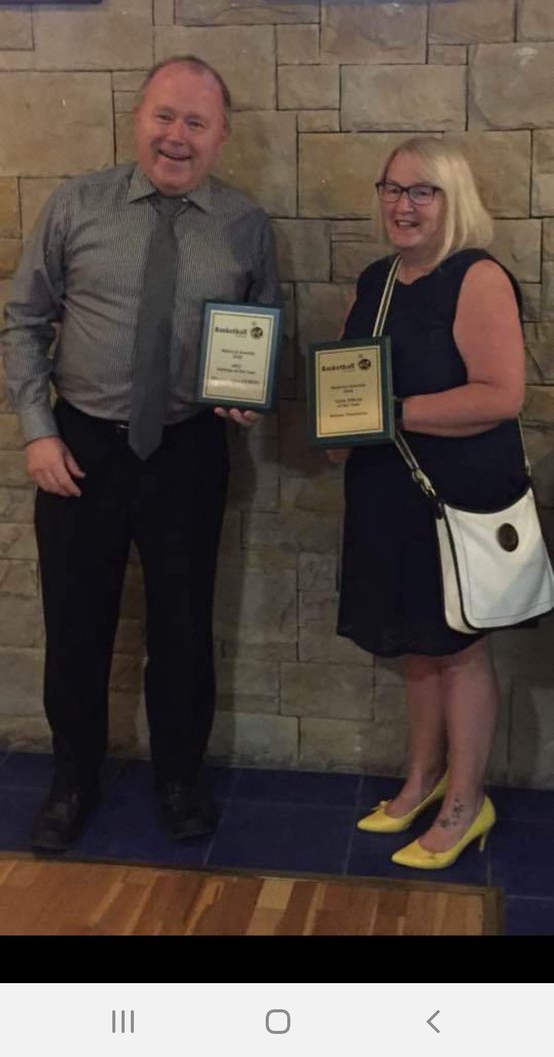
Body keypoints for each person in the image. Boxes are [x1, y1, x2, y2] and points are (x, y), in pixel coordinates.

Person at [2, 55, 280, 852]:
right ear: (138, 118)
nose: (177, 136)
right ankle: (72, 780)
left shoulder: (244, 223)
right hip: (80, 447)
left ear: (222, 136)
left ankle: (180, 780)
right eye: (165, 116)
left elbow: (263, 323)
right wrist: (38, 430)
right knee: (76, 628)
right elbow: (22, 323)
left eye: (197, 122)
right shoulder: (76, 206)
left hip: (190, 450)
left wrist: (249, 394)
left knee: (185, 630)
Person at [332, 136, 527, 870]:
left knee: (460, 651)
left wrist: (389, 409)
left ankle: (466, 803)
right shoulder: (376, 279)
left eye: (422, 191)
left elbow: (501, 396)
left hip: (456, 498)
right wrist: (337, 426)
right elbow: (348, 383)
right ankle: (420, 781)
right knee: (415, 647)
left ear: (453, 200)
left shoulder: (476, 277)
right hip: (388, 492)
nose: (402, 205)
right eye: (392, 189)